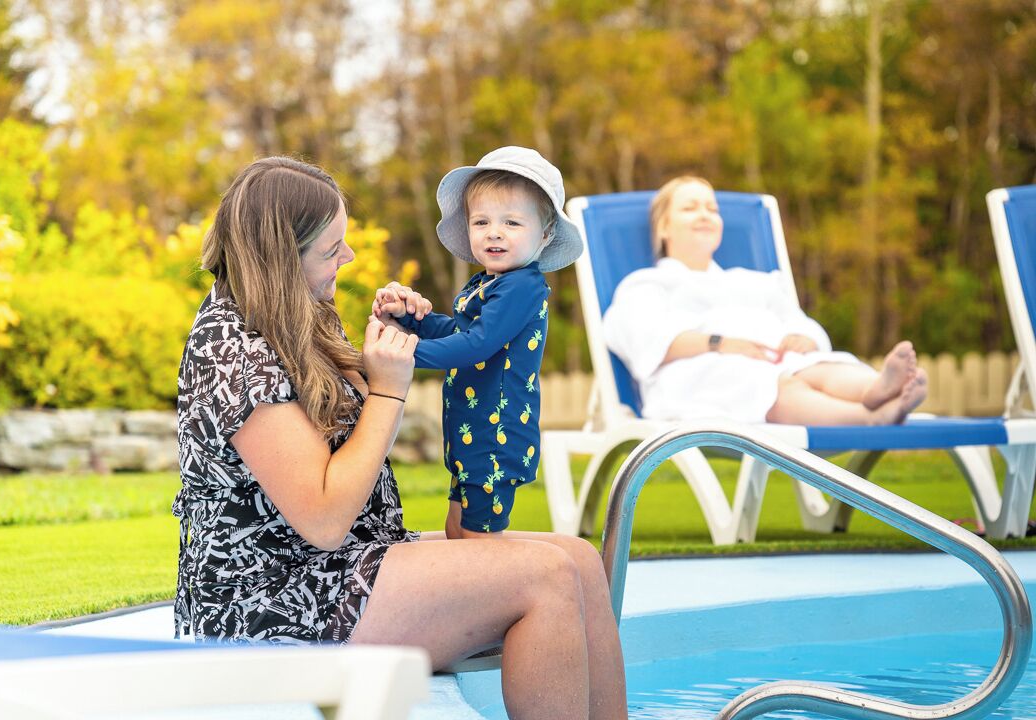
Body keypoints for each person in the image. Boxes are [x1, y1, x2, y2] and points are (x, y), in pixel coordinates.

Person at [172, 156, 626, 719]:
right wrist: (389, 390)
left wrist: (399, 326)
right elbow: (321, 520)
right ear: (281, 258)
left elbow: (358, 389)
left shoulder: (300, 313)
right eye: (331, 248)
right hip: (274, 603)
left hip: (352, 562)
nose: (349, 256)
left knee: (579, 559)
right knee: (547, 576)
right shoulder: (232, 351)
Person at [371, 146, 582, 539]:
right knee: (456, 530)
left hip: (496, 436)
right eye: (481, 221)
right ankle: (473, 598)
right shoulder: (489, 283)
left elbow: (476, 346)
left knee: (478, 543)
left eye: (512, 222)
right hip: (472, 433)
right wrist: (410, 320)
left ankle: (507, 598)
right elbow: (459, 332)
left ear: (546, 233)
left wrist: (404, 352)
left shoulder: (523, 285)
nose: (494, 232)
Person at [603, 176, 928, 425]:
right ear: (663, 227)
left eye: (712, 209)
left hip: (777, 360)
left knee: (820, 365)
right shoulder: (646, 285)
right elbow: (642, 341)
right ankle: (868, 418)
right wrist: (720, 343)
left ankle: (876, 389)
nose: (704, 215)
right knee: (769, 383)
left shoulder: (753, 282)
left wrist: (804, 338)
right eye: (690, 208)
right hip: (700, 377)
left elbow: (802, 324)